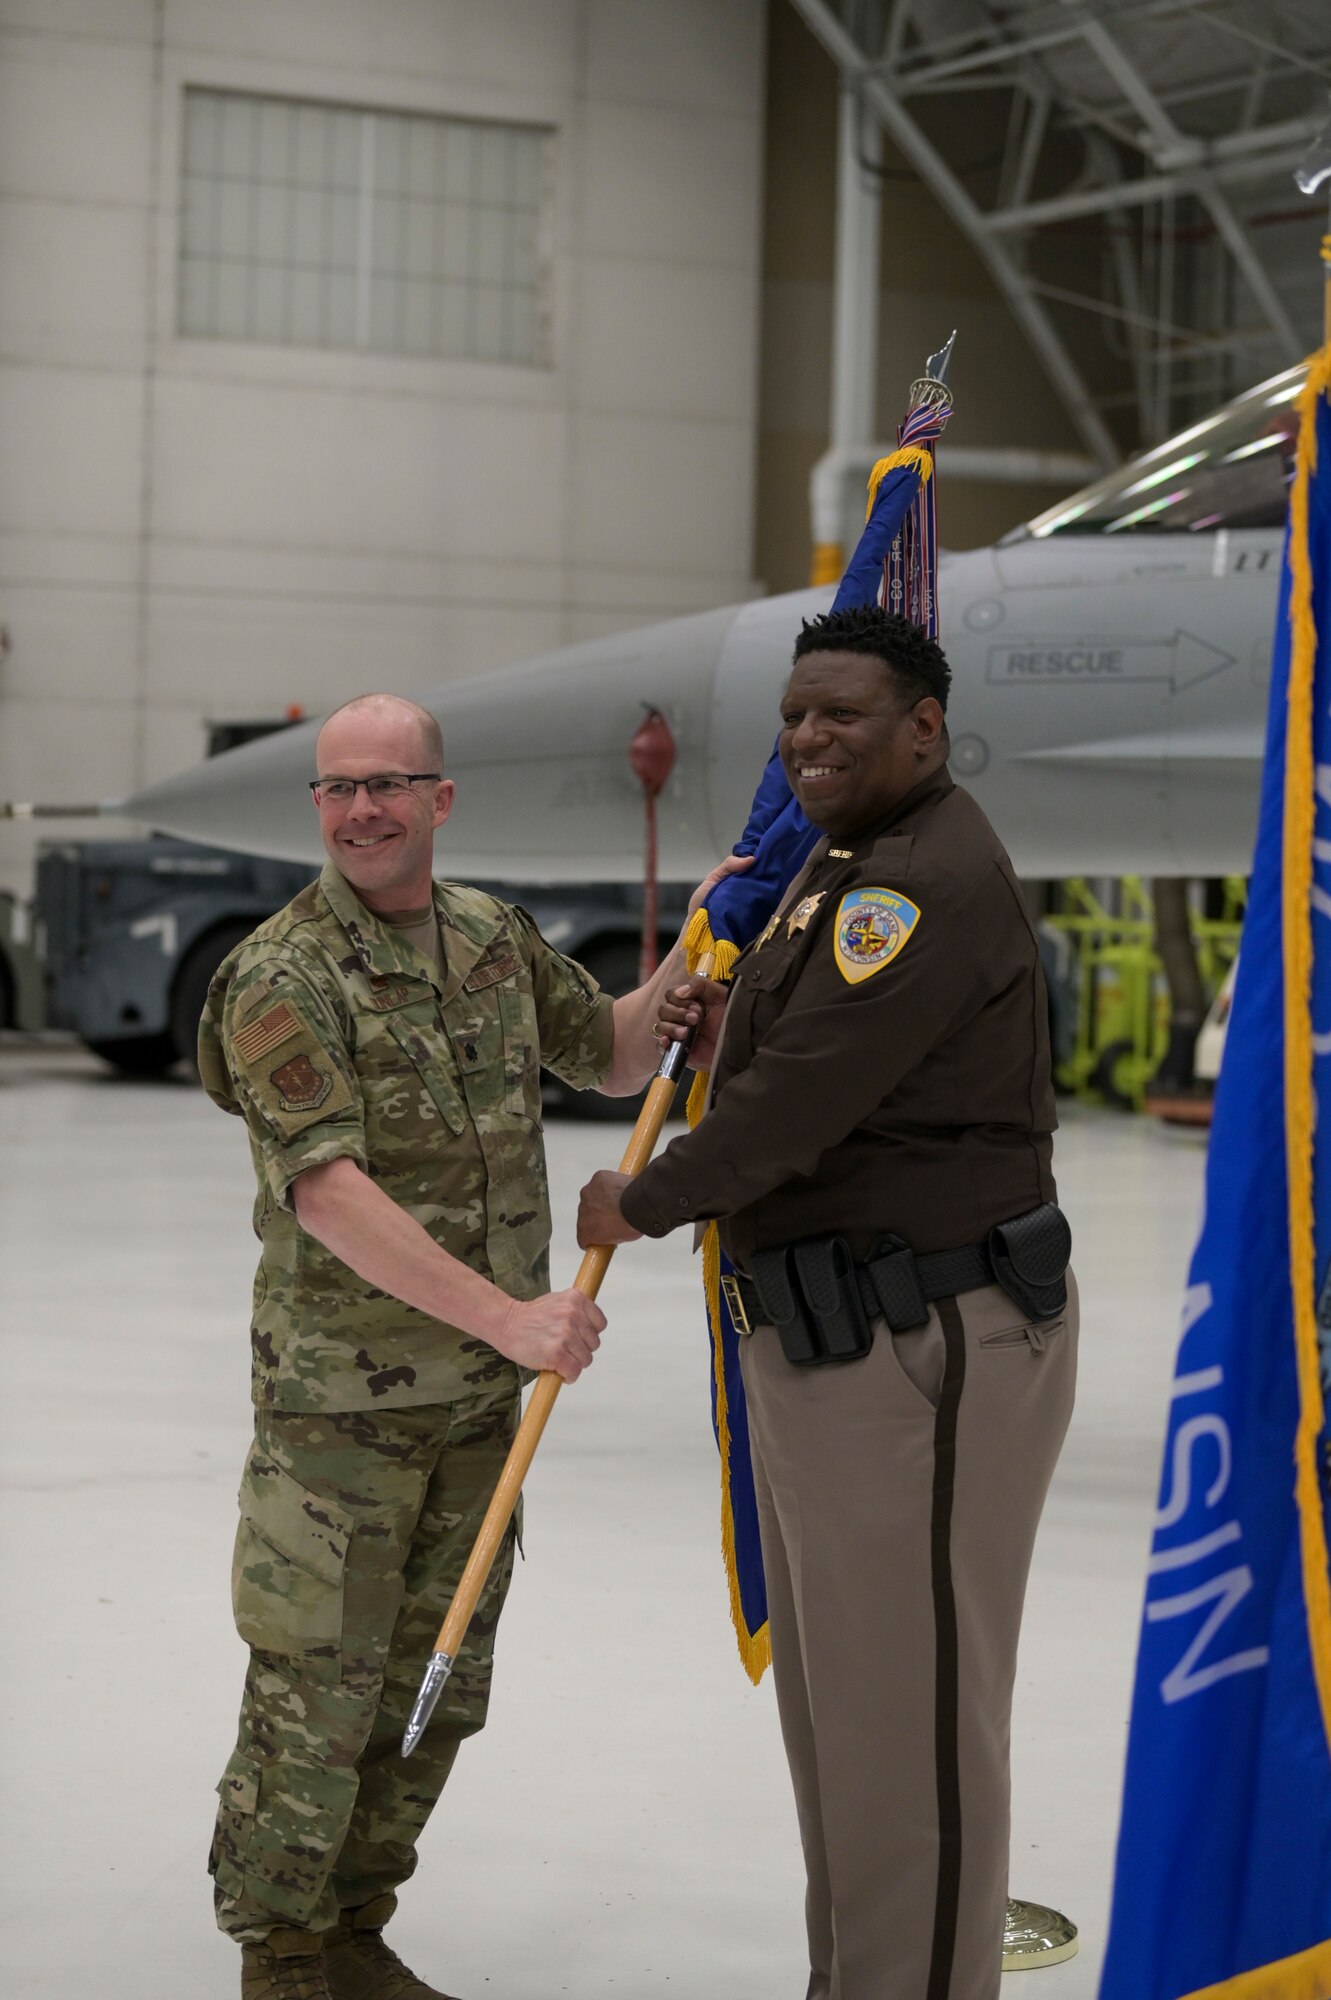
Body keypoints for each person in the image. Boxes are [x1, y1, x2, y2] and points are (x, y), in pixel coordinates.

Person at [199, 692, 740, 2000]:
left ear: (442, 800)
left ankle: (354, 1935)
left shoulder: (494, 939)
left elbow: (612, 1055)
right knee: (315, 1703)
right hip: (345, 1421)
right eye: (338, 789)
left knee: (437, 1688)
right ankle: (280, 1962)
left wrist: (704, 943)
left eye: (390, 784)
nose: (361, 810)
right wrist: (512, 1319)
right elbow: (324, 1190)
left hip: (476, 1411)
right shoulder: (283, 974)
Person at [577, 605, 1078, 2000]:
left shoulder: (915, 881)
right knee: (843, 1731)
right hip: (825, 1337)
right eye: (796, 716)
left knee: (907, 1741)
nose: (807, 738)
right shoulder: (838, 863)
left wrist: (645, 1199)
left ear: (923, 726)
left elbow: (803, 1106)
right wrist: (718, 1026)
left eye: (841, 716)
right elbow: (803, 1058)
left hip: (921, 1348)